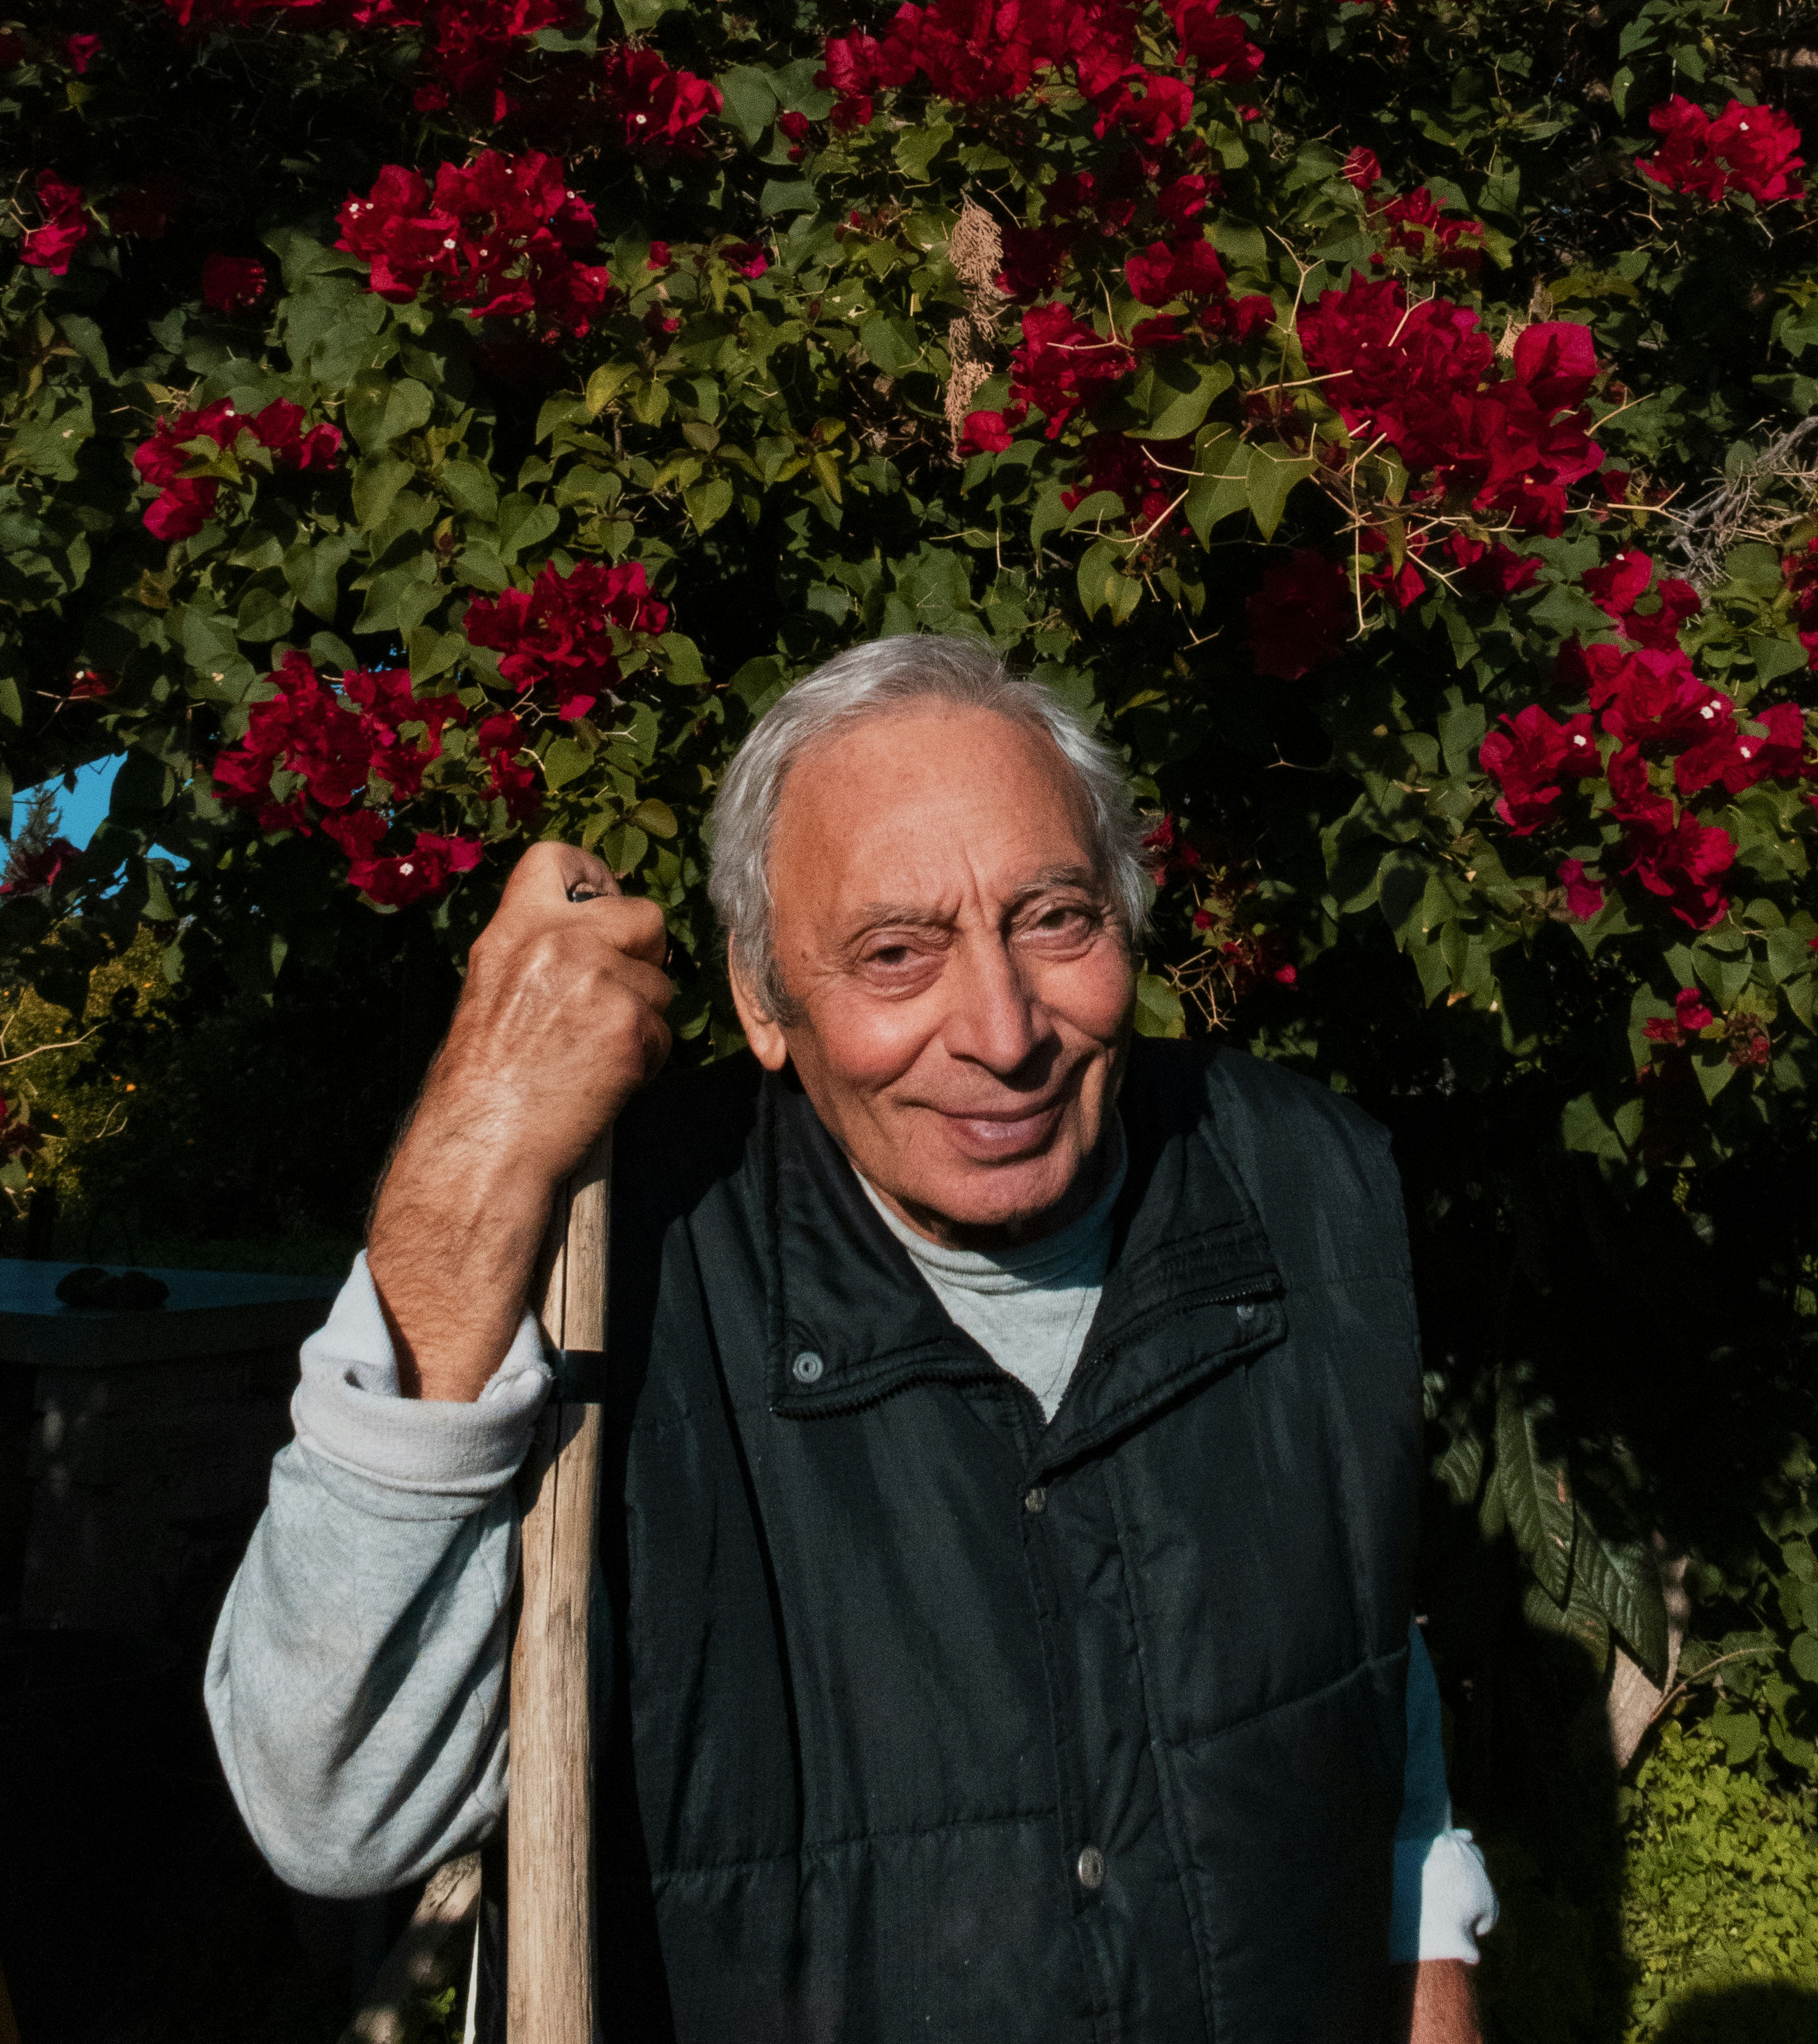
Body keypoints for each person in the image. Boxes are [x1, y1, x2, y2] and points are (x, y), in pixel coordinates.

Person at [208, 636, 1496, 2039]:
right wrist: (475, 1145)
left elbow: (1356, 1657)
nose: (1002, 1030)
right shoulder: (602, 1261)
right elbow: (331, 1809)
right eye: (896, 954)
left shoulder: (1302, 1182)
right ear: (763, 1002)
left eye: (1055, 919)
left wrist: (1430, 1981)